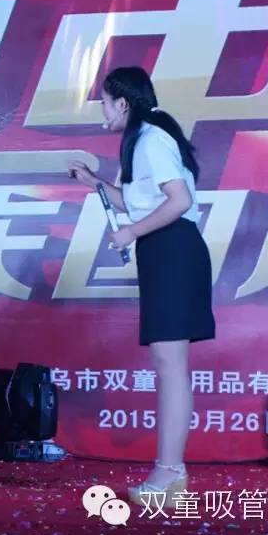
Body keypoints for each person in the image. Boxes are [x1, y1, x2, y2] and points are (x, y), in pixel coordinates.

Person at [68, 66, 214, 508]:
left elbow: (179, 201)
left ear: (123, 103)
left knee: (171, 365)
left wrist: (131, 233)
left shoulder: (150, 140)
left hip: (173, 252)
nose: (102, 110)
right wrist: (94, 183)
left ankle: (170, 471)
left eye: (105, 102)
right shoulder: (143, 141)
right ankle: (170, 472)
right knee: (169, 364)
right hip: (165, 252)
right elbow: (136, 202)